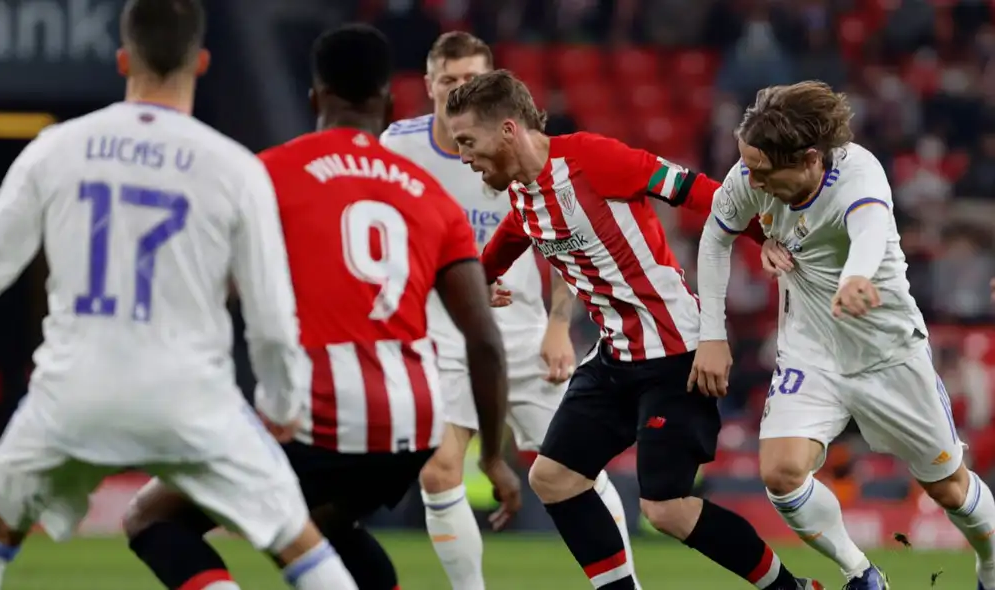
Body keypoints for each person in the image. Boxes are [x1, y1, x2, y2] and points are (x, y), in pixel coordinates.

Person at [121, 23, 514, 590]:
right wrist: (494, 456)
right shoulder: (430, 194)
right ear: (388, 103)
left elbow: (206, 296)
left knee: (151, 518)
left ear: (314, 98)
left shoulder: (267, 174)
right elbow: (485, 342)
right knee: (323, 524)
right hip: (412, 427)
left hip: (319, 418)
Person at [0, 1, 357, 589]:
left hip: (72, 396)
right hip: (191, 402)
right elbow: (270, 316)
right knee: (299, 545)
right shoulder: (235, 168)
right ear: (202, 62)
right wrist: (282, 402)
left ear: (122, 60)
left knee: (0, 526)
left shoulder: (55, 148)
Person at [448, 70, 824, 590]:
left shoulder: (594, 158)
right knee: (554, 478)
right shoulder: (522, 196)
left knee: (665, 508)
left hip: (676, 353)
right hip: (616, 358)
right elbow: (507, 242)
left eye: (468, 141)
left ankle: (790, 589)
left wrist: (765, 237)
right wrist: (480, 280)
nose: (462, 156)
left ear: (508, 130)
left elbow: (695, 190)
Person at [692, 80, 995, 590]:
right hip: (810, 352)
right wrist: (711, 335)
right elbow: (714, 238)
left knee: (949, 488)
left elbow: (869, 229)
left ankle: (990, 559)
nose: (751, 180)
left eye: (764, 172)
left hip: (888, 353)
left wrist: (856, 276)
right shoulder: (751, 172)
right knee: (781, 474)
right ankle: (861, 574)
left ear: (810, 159)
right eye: (748, 166)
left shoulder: (858, 173)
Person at [380, 31, 637, 589]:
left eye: (471, 78)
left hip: (522, 335)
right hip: (443, 336)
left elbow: (566, 234)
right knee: (438, 470)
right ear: (428, 84)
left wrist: (558, 323)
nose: (459, 88)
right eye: (448, 80)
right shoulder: (397, 149)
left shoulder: (518, 145)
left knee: (578, 468)